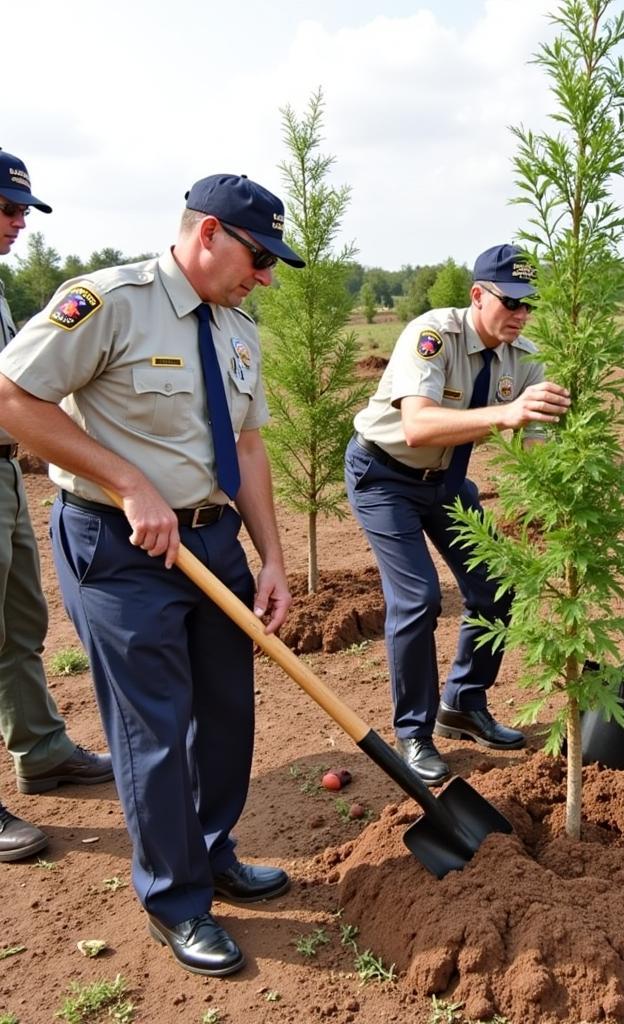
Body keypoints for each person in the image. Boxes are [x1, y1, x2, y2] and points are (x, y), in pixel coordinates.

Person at [0, 173, 302, 975]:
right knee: (157, 729)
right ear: (207, 233)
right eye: (259, 256)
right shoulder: (108, 302)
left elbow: (248, 448)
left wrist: (272, 556)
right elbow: (12, 397)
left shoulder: (238, 328)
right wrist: (129, 482)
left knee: (227, 711)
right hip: (118, 547)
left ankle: (212, 851)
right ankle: (176, 898)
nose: (265, 275)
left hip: (214, 541)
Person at [345, 244, 571, 786]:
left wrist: (562, 505)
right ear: (477, 295)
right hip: (385, 476)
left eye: (527, 305)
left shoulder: (527, 358)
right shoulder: (433, 335)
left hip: (445, 483)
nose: (519, 315)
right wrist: (509, 414)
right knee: (418, 597)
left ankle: (463, 705)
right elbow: (419, 427)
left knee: (498, 585)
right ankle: (414, 734)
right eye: (508, 302)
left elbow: (537, 448)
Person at [0, 149, 113, 864]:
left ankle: (41, 752)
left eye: (21, 213)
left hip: (6, 477)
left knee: (19, 624)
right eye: (7, 210)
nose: (17, 225)